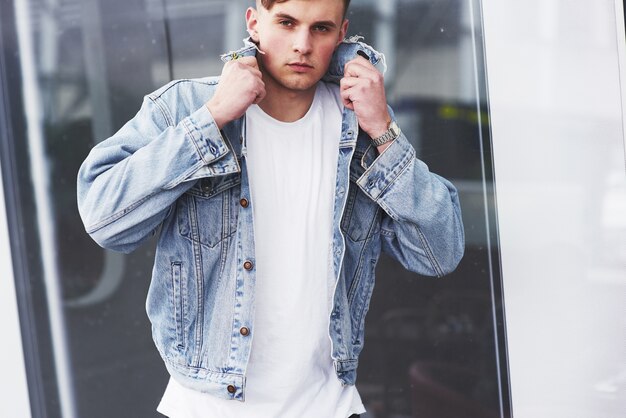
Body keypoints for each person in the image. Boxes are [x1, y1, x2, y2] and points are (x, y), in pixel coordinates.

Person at [76, 0, 464, 416]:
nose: (302, 45)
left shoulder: (363, 128)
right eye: (286, 22)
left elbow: (439, 253)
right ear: (254, 22)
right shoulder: (185, 107)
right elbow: (104, 220)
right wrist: (211, 119)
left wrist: (385, 132)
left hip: (330, 406)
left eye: (320, 29)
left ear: (341, 32)